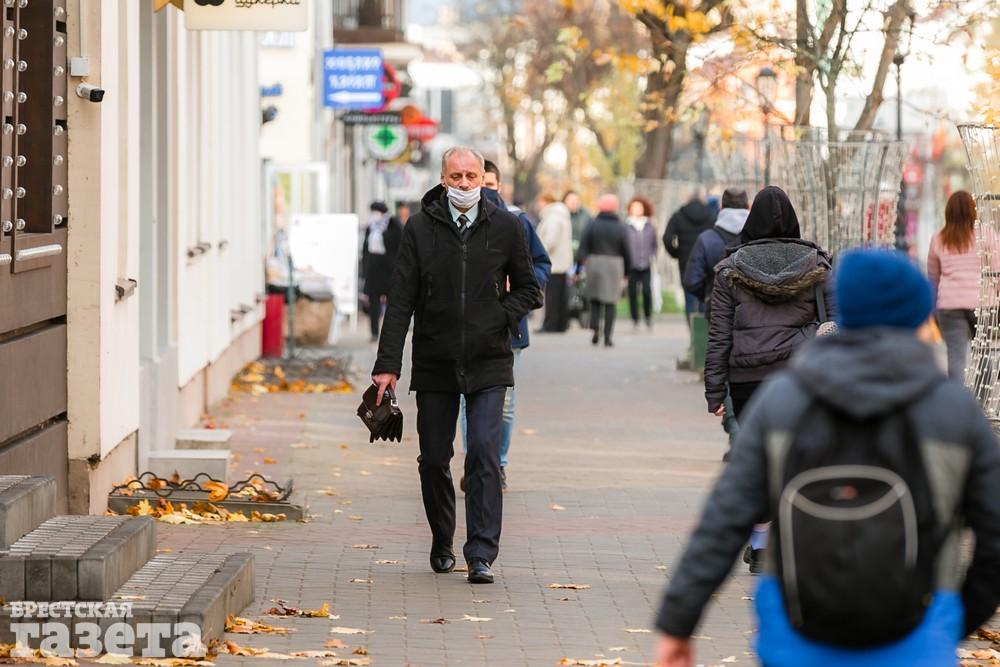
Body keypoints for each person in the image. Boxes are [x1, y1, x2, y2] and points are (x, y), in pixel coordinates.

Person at [654, 249, 1000, 667]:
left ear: (845, 307)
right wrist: (959, 617)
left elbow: (725, 517)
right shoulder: (952, 411)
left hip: (794, 627)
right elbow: (994, 530)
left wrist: (678, 623)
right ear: (918, 314)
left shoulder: (782, 401)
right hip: (919, 630)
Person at [371, 147, 543, 585]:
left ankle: (481, 552)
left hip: (489, 360)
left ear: (483, 178)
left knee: (483, 455)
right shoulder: (420, 227)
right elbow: (401, 299)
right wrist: (387, 364)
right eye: (456, 176)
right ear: (443, 178)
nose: (465, 184)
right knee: (433, 458)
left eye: (472, 176)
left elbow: (529, 288)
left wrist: (498, 316)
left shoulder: (506, 225)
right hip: (435, 360)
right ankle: (442, 538)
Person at [704, 186, 833, 570]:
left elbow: (720, 334)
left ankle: (760, 547)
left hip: (747, 379)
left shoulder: (731, 270)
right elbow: (836, 323)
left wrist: (715, 390)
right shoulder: (817, 265)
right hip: (801, 377)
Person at [458, 160, 551, 493]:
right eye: (471, 180)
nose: (482, 189)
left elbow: (541, 264)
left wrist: (520, 287)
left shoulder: (517, 222)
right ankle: (475, 463)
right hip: (467, 329)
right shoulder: (458, 221)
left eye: (489, 183)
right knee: (469, 400)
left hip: (509, 327)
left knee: (506, 403)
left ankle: (497, 463)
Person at [682, 188, 750, 457]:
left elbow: (692, 280)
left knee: (725, 372)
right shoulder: (755, 235)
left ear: (721, 208)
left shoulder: (708, 238)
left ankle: (735, 431)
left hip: (718, 311)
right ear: (747, 206)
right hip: (751, 313)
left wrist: (709, 295)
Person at [927, 190, 979, 382]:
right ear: (973, 211)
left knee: (956, 357)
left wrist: (932, 310)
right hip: (981, 304)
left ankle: (958, 406)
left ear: (948, 212)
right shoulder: (986, 236)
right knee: (986, 353)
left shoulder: (938, 239)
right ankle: (983, 405)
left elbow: (933, 277)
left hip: (949, 305)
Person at [577, 193, 631, 347]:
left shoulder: (592, 223)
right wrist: (627, 271)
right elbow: (626, 250)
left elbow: (583, 245)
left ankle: (595, 330)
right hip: (614, 264)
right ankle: (608, 337)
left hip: (595, 262)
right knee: (610, 302)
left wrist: (580, 264)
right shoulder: (621, 226)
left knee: (595, 299)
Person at [663, 190, 716, 321]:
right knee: (705, 295)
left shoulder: (678, 215)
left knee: (689, 296)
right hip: (706, 261)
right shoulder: (711, 215)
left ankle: (692, 331)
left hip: (685, 260)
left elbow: (667, 238)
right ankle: (703, 332)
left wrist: (676, 253)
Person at [361, 201, 403, 342]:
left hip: (389, 269)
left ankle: (392, 332)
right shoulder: (370, 227)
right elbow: (366, 250)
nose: (374, 215)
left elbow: (398, 244)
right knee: (373, 303)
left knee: (392, 304)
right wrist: (365, 269)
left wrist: (383, 234)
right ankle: (374, 333)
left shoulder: (393, 224)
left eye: (376, 212)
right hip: (374, 270)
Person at [536, 193, 574, 333]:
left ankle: (550, 325)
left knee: (552, 297)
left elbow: (550, 240)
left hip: (553, 263)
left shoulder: (552, 217)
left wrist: (538, 251)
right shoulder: (562, 215)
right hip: (562, 263)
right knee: (560, 296)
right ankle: (561, 324)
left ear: (546, 202)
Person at [625, 196, 658, 331]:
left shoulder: (649, 225)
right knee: (632, 293)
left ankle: (648, 316)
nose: (637, 210)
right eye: (634, 207)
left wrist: (652, 256)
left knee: (646, 291)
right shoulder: (626, 225)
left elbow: (655, 245)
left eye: (639, 207)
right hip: (631, 265)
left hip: (645, 264)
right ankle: (634, 319)